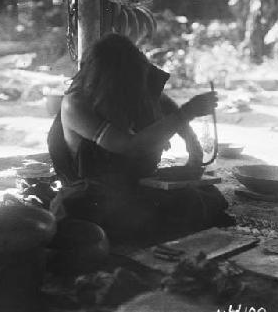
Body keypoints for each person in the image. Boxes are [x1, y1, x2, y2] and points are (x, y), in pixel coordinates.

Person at [47, 33, 229, 239]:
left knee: (203, 198)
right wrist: (187, 112)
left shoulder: (130, 83)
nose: (130, 91)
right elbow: (130, 146)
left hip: (137, 183)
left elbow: (164, 102)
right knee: (93, 218)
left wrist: (191, 142)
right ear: (104, 78)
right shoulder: (76, 103)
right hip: (97, 191)